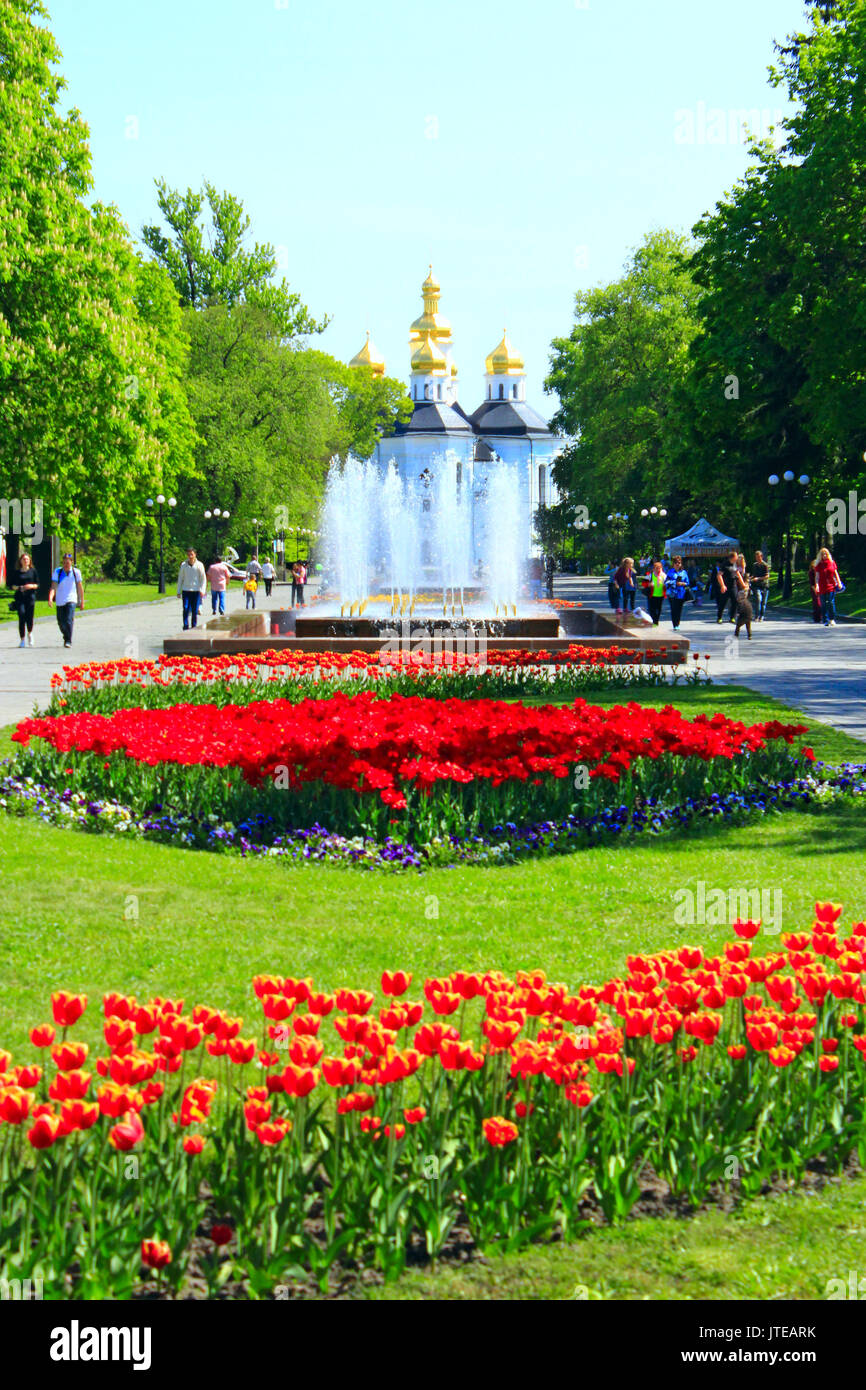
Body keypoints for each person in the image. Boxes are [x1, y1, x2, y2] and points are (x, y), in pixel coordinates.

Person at [47, 552, 84, 648]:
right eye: (64, 562)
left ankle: (68, 640)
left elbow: (80, 588)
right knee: (60, 622)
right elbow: (53, 587)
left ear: (71, 562)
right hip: (60, 600)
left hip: (71, 599)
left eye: (67, 563)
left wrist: (82, 601)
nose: (66, 565)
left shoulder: (76, 572)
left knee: (68, 619)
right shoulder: (58, 572)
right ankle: (66, 636)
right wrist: (50, 598)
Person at [12, 549, 39, 647]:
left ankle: (30, 633)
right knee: (21, 615)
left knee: (29, 617)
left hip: (30, 597)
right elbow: (12, 585)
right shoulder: (17, 573)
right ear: (20, 561)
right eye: (23, 559)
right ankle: (22, 639)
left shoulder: (33, 571)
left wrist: (30, 586)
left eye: (27, 559)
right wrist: (20, 587)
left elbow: (37, 585)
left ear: (30, 561)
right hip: (20, 598)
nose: (25, 561)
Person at [177, 548, 206, 630]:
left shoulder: (199, 565)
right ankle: (185, 625)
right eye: (189, 554)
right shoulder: (184, 565)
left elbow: (203, 579)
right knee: (185, 608)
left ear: (195, 555)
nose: (190, 556)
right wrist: (178, 591)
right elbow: (180, 578)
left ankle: (194, 625)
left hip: (196, 590)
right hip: (186, 590)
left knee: (194, 610)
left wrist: (202, 590)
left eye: (192, 554)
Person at [814, 546, 842, 627]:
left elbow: (835, 573)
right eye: (823, 554)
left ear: (828, 554)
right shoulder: (819, 564)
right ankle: (825, 620)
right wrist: (817, 585)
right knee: (823, 603)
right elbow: (817, 576)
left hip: (831, 585)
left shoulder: (832, 563)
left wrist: (839, 582)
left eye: (826, 554)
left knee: (830, 602)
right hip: (822, 586)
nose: (824, 556)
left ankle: (832, 619)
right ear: (820, 555)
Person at [664, 554, 691, 630]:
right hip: (672, 593)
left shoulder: (684, 572)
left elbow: (687, 583)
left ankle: (678, 623)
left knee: (679, 609)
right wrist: (674, 582)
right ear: (673, 564)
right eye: (676, 563)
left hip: (681, 593)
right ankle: (674, 624)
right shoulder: (670, 572)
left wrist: (682, 583)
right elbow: (666, 582)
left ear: (681, 564)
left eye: (679, 563)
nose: (677, 564)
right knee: (673, 609)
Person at [715, 550, 740, 624]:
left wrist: (743, 584)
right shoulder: (725, 564)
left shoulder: (735, 564)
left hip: (733, 586)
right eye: (736, 557)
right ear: (732, 557)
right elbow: (719, 575)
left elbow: (737, 573)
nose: (737, 558)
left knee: (735, 601)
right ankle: (719, 617)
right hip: (726, 586)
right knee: (723, 602)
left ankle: (732, 617)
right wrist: (722, 585)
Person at [732, 567, 753, 640]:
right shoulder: (742, 585)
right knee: (747, 622)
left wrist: (738, 573)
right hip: (745, 603)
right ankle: (749, 635)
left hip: (743, 604)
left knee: (740, 623)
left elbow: (742, 584)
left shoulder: (745, 585)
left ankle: (736, 635)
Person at [644, 559, 666, 625]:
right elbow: (643, 583)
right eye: (657, 568)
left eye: (659, 568)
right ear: (653, 569)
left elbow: (667, 583)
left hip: (660, 595)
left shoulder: (664, 575)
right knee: (652, 610)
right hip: (651, 595)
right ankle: (654, 621)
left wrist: (665, 584)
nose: (658, 570)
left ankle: (656, 621)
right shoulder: (649, 575)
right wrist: (649, 584)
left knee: (658, 610)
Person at [749, 550, 770, 622]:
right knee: (758, 599)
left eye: (758, 557)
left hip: (764, 585)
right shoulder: (754, 565)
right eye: (756, 557)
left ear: (761, 557)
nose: (757, 558)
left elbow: (767, 576)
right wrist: (750, 578)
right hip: (756, 585)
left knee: (763, 602)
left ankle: (762, 616)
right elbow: (754, 575)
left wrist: (758, 578)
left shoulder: (765, 565)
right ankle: (756, 616)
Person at [807, 557, 823, 624]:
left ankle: (822, 617)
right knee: (817, 603)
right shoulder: (811, 572)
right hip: (814, 588)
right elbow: (812, 583)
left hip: (821, 588)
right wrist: (815, 590)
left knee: (821, 603)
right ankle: (817, 618)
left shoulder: (819, 571)